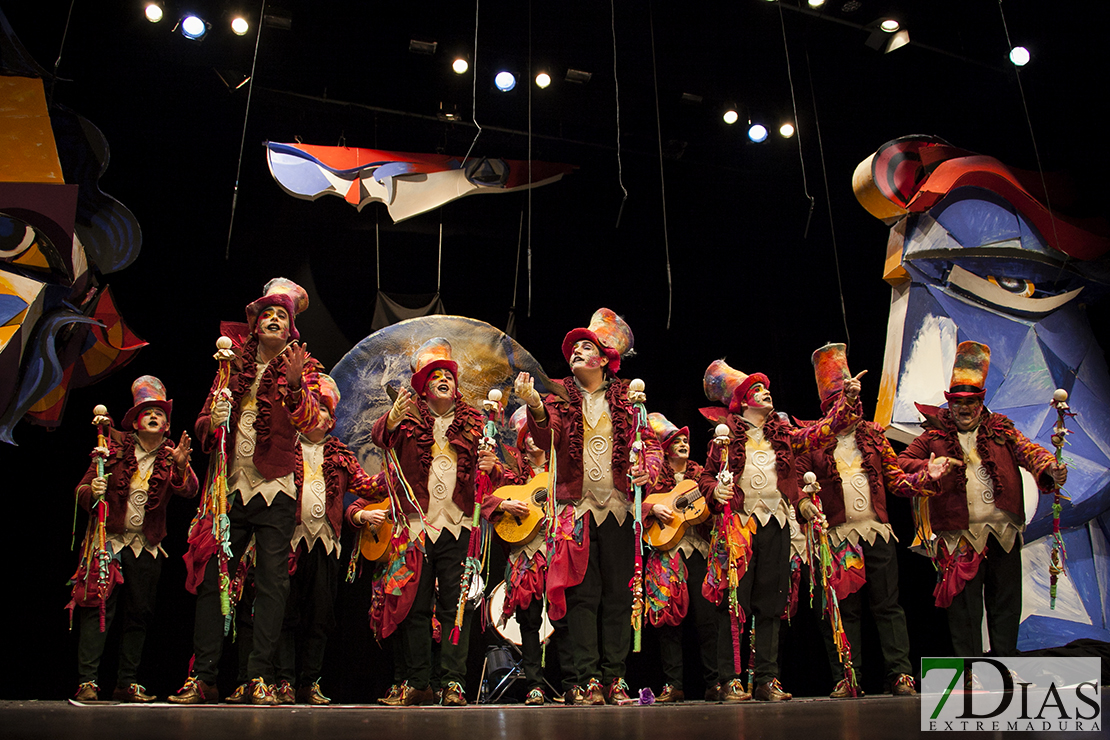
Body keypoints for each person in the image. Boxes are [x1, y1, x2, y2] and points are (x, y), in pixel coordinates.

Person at [171, 278, 324, 705]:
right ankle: (203, 676)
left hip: (276, 488)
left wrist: (295, 388)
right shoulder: (229, 366)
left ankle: (259, 676)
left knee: (273, 585)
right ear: (254, 325)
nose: (273, 319)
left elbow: (312, 425)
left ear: (291, 330)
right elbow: (203, 423)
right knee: (213, 581)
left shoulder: (304, 368)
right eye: (266, 315)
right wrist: (211, 420)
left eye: (282, 316)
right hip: (230, 488)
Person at [514, 308, 663, 705]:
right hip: (576, 509)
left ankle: (614, 678)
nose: (577, 352)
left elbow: (648, 443)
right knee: (581, 595)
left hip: (618, 507)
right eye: (573, 348)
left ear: (605, 358)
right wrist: (537, 408)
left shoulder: (629, 398)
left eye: (586, 346)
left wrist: (648, 469)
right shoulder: (559, 397)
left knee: (618, 594)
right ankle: (586, 679)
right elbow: (548, 439)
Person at [353, 337, 508, 707]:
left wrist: (493, 468)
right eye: (434, 375)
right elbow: (381, 437)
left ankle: (453, 682)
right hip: (417, 527)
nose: (443, 379)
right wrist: (391, 416)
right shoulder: (405, 418)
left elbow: (494, 475)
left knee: (456, 605)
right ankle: (418, 682)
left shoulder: (473, 421)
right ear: (422, 386)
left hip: (458, 525)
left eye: (448, 375)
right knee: (416, 606)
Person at [698, 359, 862, 702]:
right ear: (743, 402)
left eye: (766, 388)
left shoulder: (783, 436)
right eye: (757, 390)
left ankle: (766, 680)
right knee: (733, 603)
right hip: (739, 526)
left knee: (772, 604)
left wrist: (847, 401)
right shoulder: (725, 439)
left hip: (776, 524)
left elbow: (821, 432)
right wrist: (715, 491)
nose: (766, 392)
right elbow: (706, 477)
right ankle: (730, 680)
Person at [794, 343, 950, 698]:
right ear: (827, 406)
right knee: (844, 608)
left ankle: (900, 674)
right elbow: (795, 483)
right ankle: (847, 676)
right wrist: (804, 505)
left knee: (888, 606)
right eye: (837, 399)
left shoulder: (875, 435)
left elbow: (897, 480)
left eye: (848, 398)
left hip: (877, 533)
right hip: (837, 537)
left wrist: (927, 474)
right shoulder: (812, 440)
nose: (845, 406)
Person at [897, 341, 1066, 660]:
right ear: (949, 404)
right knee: (964, 610)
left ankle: (1005, 665)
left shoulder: (1001, 429)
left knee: (1005, 604)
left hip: (1003, 533)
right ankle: (970, 671)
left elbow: (1031, 452)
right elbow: (900, 465)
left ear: (981, 402)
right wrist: (926, 469)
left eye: (971, 402)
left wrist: (1049, 468)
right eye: (958, 402)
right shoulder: (933, 437)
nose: (964, 408)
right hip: (959, 537)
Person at [225, 374, 385, 705]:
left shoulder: (340, 453)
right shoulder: (285, 448)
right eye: (316, 409)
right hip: (287, 540)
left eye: (327, 411)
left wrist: (397, 467)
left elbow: (369, 487)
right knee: (282, 611)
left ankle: (309, 681)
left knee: (320, 615)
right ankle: (282, 679)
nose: (322, 416)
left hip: (325, 543)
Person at [69, 376, 197, 702]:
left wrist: (181, 469)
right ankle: (88, 681)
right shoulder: (111, 451)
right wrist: (92, 491)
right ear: (136, 421)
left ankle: (127, 681)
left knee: (139, 613)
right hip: (108, 541)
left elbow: (190, 490)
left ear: (167, 425)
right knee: (98, 608)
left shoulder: (172, 456)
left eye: (160, 414)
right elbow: (82, 489)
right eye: (147, 413)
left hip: (146, 545)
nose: (154, 417)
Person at [643, 412, 719, 702]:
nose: (685, 444)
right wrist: (652, 509)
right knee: (667, 621)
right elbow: (634, 505)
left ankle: (714, 683)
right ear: (665, 448)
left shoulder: (700, 476)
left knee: (707, 618)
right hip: (665, 553)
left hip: (697, 550)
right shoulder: (652, 477)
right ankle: (672, 685)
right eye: (678, 441)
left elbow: (712, 502)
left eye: (687, 440)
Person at [487, 406, 551, 705]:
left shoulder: (563, 472)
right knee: (529, 618)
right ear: (522, 443)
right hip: (525, 552)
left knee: (568, 616)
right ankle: (534, 684)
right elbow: (484, 497)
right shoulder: (511, 475)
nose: (534, 441)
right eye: (528, 436)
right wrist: (505, 505)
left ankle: (577, 681)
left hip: (560, 547)